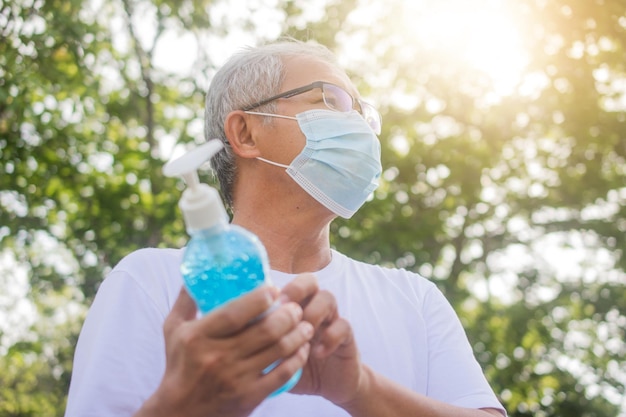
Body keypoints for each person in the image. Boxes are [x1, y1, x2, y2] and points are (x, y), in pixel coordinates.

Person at [64, 39, 507, 417]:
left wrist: (359, 389)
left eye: (363, 113)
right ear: (246, 133)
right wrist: (183, 404)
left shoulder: (415, 297)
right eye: (331, 99)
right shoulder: (150, 281)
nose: (359, 128)